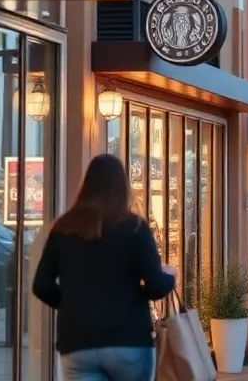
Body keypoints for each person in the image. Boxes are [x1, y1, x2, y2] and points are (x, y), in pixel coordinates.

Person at [32, 154, 176, 381]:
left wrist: (72, 302)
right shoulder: (135, 227)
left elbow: (41, 285)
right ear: (122, 187)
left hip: (78, 340)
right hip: (128, 338)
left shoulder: (63, 228)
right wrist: (169, 276)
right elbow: (156, 286)